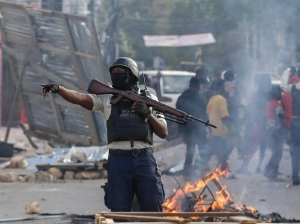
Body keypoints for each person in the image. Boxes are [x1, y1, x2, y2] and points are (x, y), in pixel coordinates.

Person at [41, 57, 168, 211]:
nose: (116, 75)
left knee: (152, 207)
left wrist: (148, 114)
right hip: (118, 160)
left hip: (144, 159)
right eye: (113, 72)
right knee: (119, 210)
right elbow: (80, 98)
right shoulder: (107, 98)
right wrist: (59, 89)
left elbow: (163, 132)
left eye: (120, 72)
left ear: (132, 74)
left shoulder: (150, 99)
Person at [176, 77, 209, 176]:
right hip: (197, 128)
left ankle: (188, 168)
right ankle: (203, 167)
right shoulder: (198, 98)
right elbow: (203, 114)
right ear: (197, 86)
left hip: (185, 128)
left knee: (190, 149)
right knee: (202, 148)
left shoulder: (182, 97)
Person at [206, 79, 233, 172]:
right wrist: (231, 128)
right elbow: (224, 116)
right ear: (221, 87)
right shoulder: (222, 99)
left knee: (215, 149)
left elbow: (208, 113)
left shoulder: (212, 99)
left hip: (213, 130)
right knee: (223, 150)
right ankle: (224, 170)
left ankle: (203, 165)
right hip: (220, 130)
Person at [263, 85, 285, 181]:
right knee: (278, 153)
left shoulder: (269, 103)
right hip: (277, 130)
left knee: (275, 152)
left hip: (269, 129)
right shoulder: (277, 104)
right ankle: (270, 171)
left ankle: (270, 171)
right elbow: (280, 116)